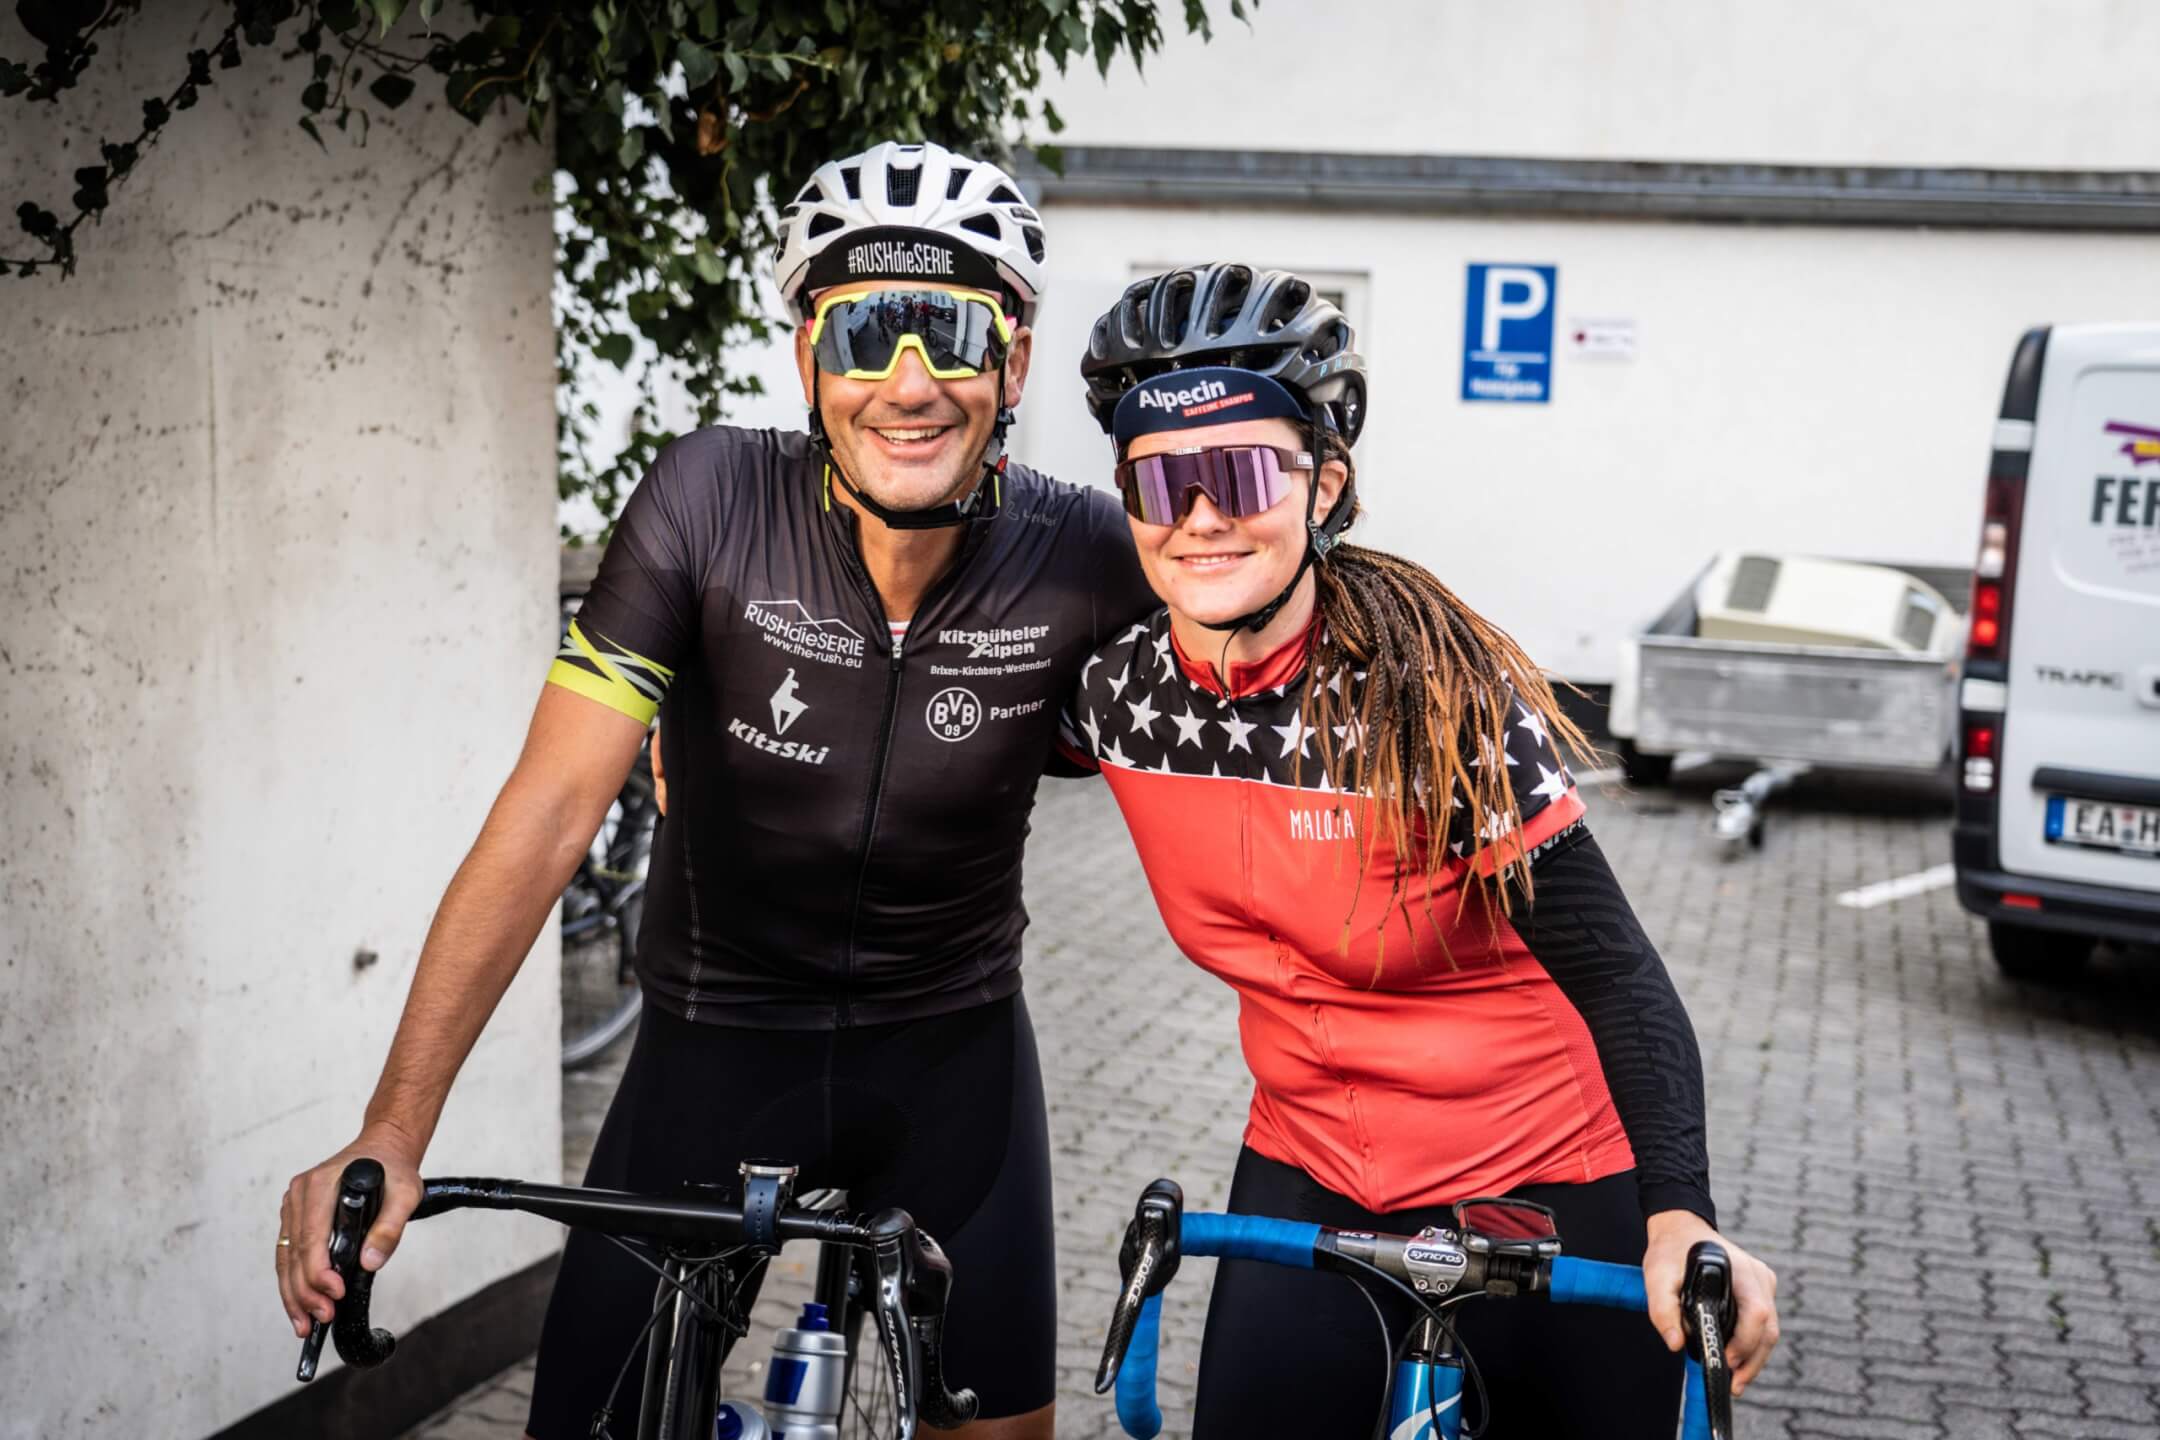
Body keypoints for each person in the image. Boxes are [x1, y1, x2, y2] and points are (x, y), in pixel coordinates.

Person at [274, 140, 1153, 1440]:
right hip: (713, 1046)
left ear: (1012, 363)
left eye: (953, 333)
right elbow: (549, 816)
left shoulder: (1082, 550)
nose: (909, 384)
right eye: (867, 334)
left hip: (954, 1057)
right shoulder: (709, 503)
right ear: (808, 358)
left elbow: (1258, 681)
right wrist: (392, 1130)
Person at [1060, 264, 1780, 1436]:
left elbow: (1618, 974)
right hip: (1306, 1158)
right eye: (1159, 479)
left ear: (1326, 484)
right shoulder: (1114, 698)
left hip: (1541, 1170)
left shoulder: (1432, 706)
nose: (1200, 516)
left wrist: (1682, 1216)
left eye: (1240, 474)